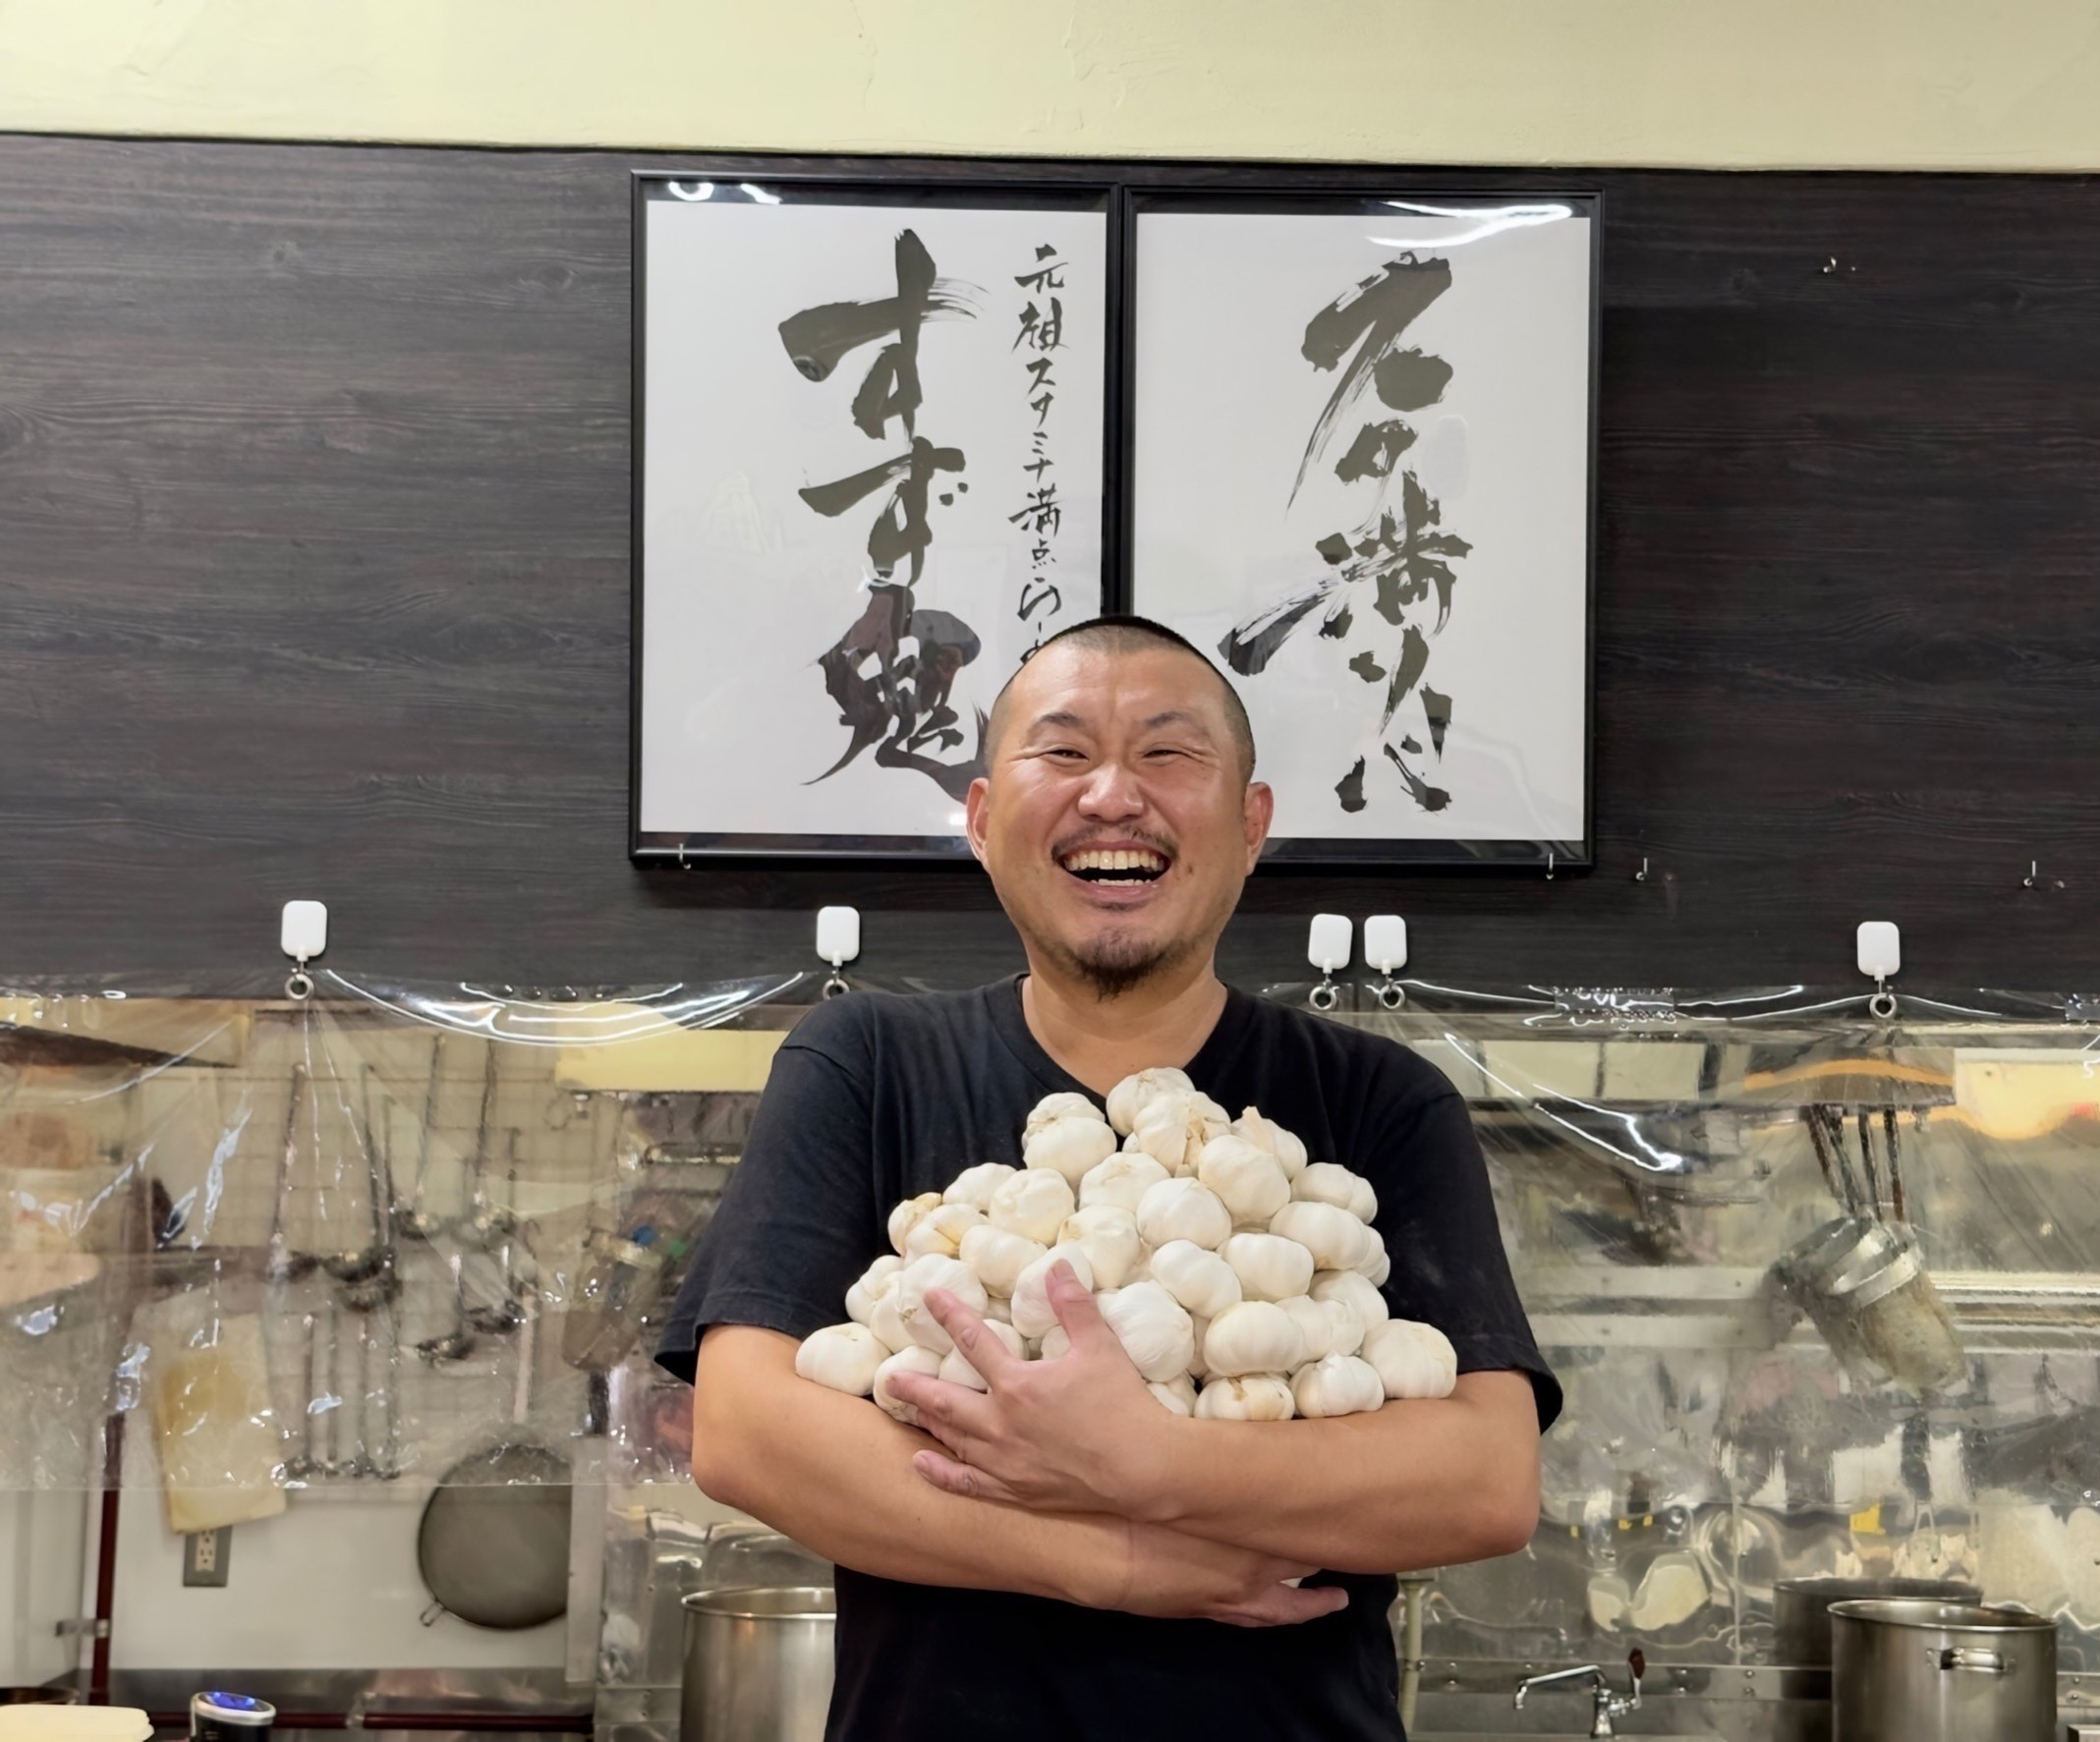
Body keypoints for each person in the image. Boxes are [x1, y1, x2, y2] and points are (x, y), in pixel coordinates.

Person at [656, 615, 1559, 1741]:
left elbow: (1484, 1480)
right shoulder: (864, 1063)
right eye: (1064, 752)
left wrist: (1151, 1459)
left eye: (1167, 754)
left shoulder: (1378, 1097)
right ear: (983, 819)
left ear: (1251, 824)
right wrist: (1112, 1563)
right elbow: (746, 1431)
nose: (1112, 796)